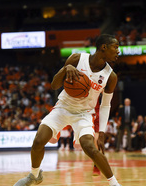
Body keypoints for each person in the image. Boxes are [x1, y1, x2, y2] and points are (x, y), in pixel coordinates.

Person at [13, 34, 122, 186]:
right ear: (103, 47)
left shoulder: (110, 76)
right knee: (38, 140)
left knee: (90, 147)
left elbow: (105, 105)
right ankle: (34, 176)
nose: (118, 51)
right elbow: (54, 85)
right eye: (115, 47)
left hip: (84, 114)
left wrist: (101, 133)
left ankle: (115, 184)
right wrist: (66, 69)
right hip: (63, 108)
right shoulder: (77, 59)